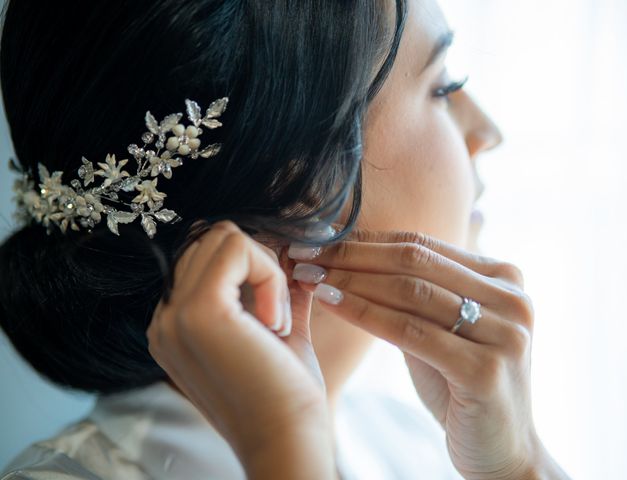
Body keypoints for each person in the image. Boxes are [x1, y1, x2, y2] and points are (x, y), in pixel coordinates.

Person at [0, 0, 572, 478]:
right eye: (444, 88)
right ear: (286, 183)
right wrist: (285, 445)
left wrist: (520, 464)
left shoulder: (409, 444)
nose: (487, 133)